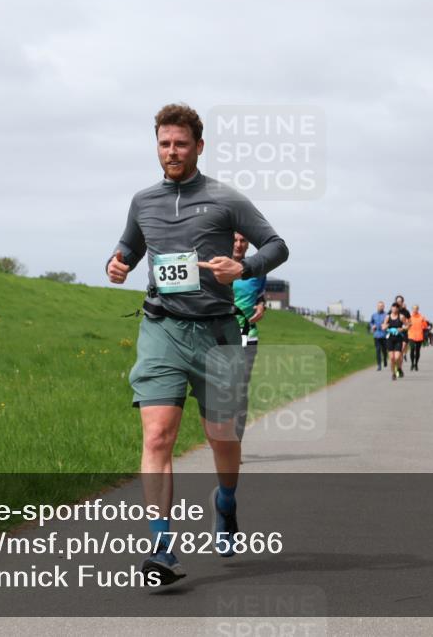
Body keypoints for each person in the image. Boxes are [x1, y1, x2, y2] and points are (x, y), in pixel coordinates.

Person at [107, 103, 288, 584]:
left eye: (181, 144)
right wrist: (118, 263)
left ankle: (225, 503)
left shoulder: (226, 199)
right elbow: (128, 246)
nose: (172, 151)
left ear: (198, 147)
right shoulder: (143, 201)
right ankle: (162, 547)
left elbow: (276, 246)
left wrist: (244, 268)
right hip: (162, 328)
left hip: (217, 334)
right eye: (164, 143)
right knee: (158, 436)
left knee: (222, 439)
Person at [232, 232, 266, 387]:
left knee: (242, 385)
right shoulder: (218, 265)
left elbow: (260, 295)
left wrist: (261, 306)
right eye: (235, 240)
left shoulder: (257, 270)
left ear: (248, 244)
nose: (239, 245)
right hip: (221, 335)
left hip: (248, 335)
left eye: (243, 240)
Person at [382, 303, 406, 380]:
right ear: (391, 308)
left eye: (396, 308)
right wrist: (385, 327)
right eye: (393, 307)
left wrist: (402, 329)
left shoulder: (401, 317)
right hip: (390, 339)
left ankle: (399, 368)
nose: (394, 309)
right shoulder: (388, 317)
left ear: (398, 309)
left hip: (398, 338)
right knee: (392, 358)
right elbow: (383, 326)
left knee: (397, 357)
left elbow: (408, 325)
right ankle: (393, 373)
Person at [407, 305, 428, 371]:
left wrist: (425, 335)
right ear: (412, 309)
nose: (415, 310)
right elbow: (406, 325)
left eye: (416, 309)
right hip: (411, 336)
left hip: (419, 336)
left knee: (418, 351)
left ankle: (416, 364)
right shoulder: (409, 317)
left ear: (418, 309)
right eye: (413, 309)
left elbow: (425, 327)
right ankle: (412, 363)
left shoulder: (422, 317)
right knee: (412, 349)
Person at [369, 301, 388, 371]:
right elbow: (371, 322)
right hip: (376, 335)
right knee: (378, 350)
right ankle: (379, 365)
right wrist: (372, 326)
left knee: (384, 350)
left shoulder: (386, 315)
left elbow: (389, 323)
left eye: (382, 306)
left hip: (384, 335)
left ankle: (385, 359)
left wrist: (386, 325)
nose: (380, 307)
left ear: (384, 307)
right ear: (377, 307)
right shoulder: (374, 315)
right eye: (379, 306)